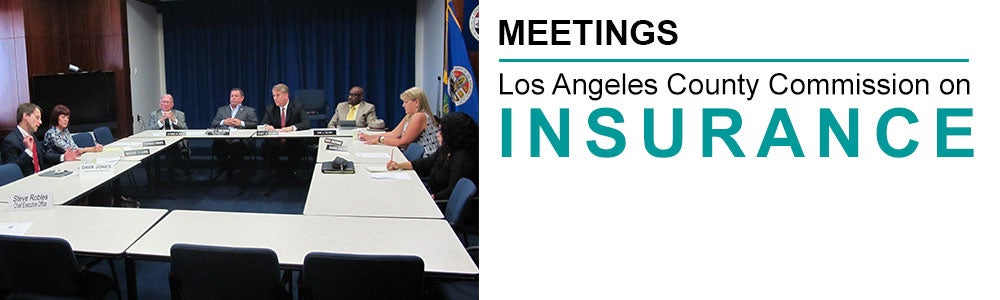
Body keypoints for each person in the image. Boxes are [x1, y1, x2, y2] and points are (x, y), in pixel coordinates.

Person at [386, 112, 478, 200]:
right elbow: (426, 163)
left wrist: (429, 197)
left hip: (440, 203)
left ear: (453, 134)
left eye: (442, 132)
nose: (438, 134)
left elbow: (452, 192)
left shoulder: (462, 159)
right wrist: (399, 165)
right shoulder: (447, 148)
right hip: (431, 192)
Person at [359, 86, 440, 157]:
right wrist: (369, 137)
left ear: (416, 102)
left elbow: (403, 142)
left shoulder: (420, 116)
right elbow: (394, 134)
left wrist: (380, 139)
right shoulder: (410, 116)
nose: (403, 105)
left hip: (425, 159)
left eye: (406, 102)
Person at [2, 103, 77, 177]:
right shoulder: (10, 141)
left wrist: (63, 157)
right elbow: (12, 170)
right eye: (37, 117)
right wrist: (28, 151)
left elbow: (43, 155)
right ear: (25, 116)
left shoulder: (32, 135)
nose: (40, 122)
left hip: (41, 176)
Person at [261, 83, 310, 184]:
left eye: (277, 95)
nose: (275, 98)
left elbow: (306, 124)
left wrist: (292, 128)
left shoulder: (298, 107)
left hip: (292, 142)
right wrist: (266, 126)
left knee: (299, 149)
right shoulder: (271, 109)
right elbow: (263, 123)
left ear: (286, 95)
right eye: (273, 95)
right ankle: (287, 173)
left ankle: (283, 174)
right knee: (264, 149)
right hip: (276, 143)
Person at [210, 88, 259, 178]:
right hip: (224, 139)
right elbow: (213, 123)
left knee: (237, 147)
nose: (233, 98)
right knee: (217, 145)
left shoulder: (249, 111)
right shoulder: (221, 110)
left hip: (240, 140)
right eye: (232, 96)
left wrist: (241, 123)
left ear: (242, 98)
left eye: (236, 96)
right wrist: (223, 122)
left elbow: (255, 124)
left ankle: (228, 170)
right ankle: (228, 167)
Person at [147, 94, 191, 179]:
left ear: (172, 104)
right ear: (160, 104)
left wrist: (174, 120)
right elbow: (149, 129)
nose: (165, 104)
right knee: (158, 153)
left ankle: (171, 175)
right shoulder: (154, 115)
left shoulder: (179, 114)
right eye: (163, 102)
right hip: (159, 141)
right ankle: (157, 177)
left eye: (168, 102)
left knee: (172, 149)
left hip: (175, 141)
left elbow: (185, 128)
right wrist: (160, 121)